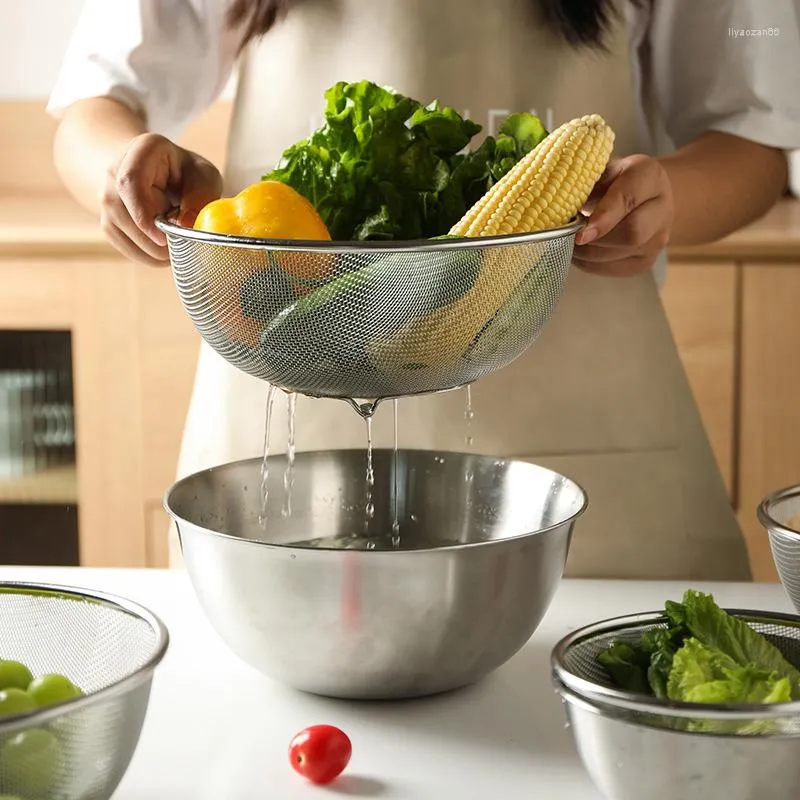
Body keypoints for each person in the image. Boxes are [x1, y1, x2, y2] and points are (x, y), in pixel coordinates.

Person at [48, 0, 800, 577]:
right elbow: (93, 103)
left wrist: (671, 194)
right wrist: (122, 169)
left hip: (588, 433)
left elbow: (755, 142)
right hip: (292, 410)